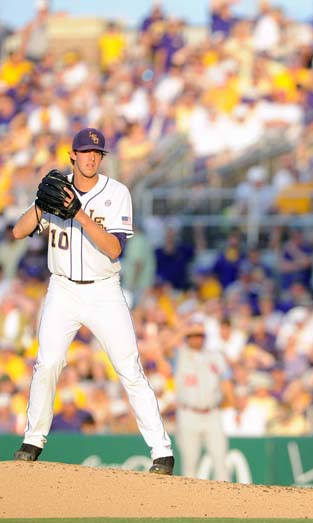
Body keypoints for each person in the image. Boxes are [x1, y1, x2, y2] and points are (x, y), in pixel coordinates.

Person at [10, 128, 174, 474]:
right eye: (84, 152)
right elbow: (18, 232)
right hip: (62, 289)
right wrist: (41, 205)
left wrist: (80, 214)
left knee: (129, 368)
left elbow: (115, 248)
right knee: (48, 363)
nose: (90, 158)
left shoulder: (116, 193)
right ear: (72, 155)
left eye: (96, 153)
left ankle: (161, 451)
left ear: (102, 158)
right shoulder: (57, 189)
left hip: (103, 290)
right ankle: (33, 440)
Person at [174, 316, 234, 481]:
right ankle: (191, 503)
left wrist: (233, 404)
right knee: (190, 464)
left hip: (212, 413)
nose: (197, 338)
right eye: (193, 335)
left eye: (200, 335)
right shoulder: (180, 354)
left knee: (220, 459)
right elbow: (162, 347)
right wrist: (185, 329)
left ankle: (225, 499)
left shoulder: (215, 356)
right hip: (188, 413)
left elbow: (226, 380)